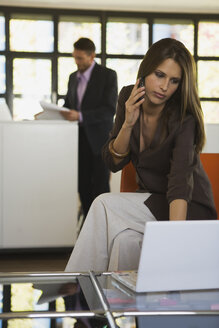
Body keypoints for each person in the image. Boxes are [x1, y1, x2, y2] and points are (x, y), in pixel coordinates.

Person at [65, 38, 217, 273]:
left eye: (174, 80)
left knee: (103, 204)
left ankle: (76, 285)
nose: (165, 86)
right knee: (123, 243)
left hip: (186, 209)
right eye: (159, 74)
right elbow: (113, 162)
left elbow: (179, 184)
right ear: (146, 70)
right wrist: (127, 123)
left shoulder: (184, 118)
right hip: (150, 203)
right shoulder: (128, 95)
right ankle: (115, 307)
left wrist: (176, 239)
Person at [61, 37, 118, 219]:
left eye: (80, 58)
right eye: (74, 58)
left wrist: (81, 115)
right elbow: (69, 104)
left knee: (100, 186)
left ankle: (103, 224)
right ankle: (88, 224)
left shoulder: (108, 75)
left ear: (91, 56)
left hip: (100, 141)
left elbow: (110, 109)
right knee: (82, 185)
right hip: (77, 141)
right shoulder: (72, 78)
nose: (76, 62)